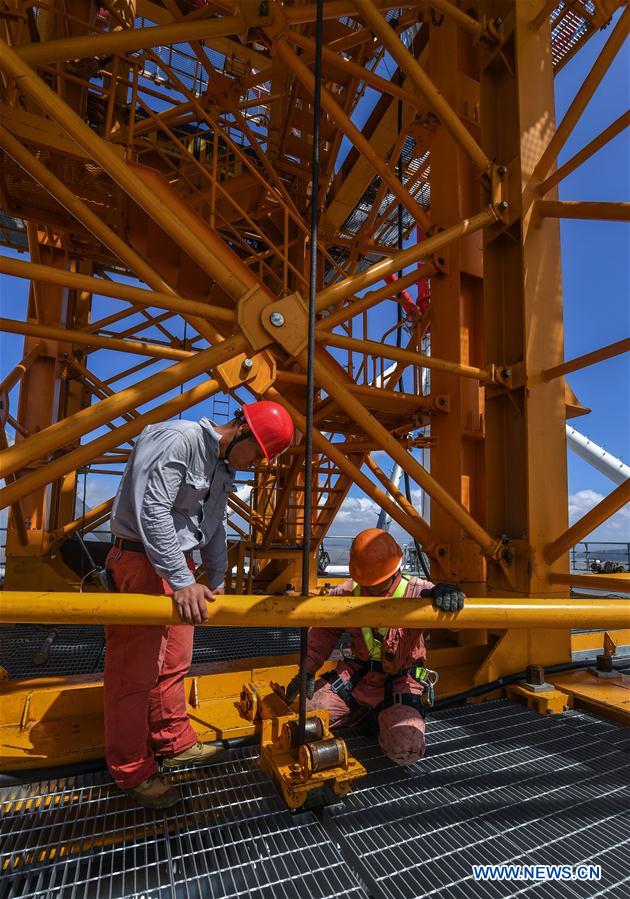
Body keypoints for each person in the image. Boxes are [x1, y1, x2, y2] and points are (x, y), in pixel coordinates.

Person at [105, 401, 294, 809]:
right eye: (256, 453)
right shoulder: (178, 439)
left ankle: (173, 742)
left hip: (179, 570)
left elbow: (214, 525)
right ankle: (133, 770)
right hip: (141, 561)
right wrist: (183, 580)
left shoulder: (221, 468)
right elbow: (151, 512)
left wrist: (217, 577)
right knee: (133, 674)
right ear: (241, 429)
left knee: (174, 661)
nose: (253, 464)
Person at [285, 528, 464, 766]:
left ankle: (384, 714)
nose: (372, 587)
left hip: (400, 681)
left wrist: (449, 600)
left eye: (377, 582)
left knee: (405, 748)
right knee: (302, 714)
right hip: (357, 676)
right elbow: (325, 629)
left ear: (395, 570)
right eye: (366, 582)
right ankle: (365, 713)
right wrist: (307, 668)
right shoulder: (349, 593)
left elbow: (457, 627)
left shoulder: (418, 592)